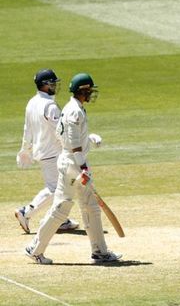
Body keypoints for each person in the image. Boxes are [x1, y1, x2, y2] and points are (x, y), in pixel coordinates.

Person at [25, 73, 122, 264]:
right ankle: (98, 252)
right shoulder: (75, 111)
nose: (92, 93)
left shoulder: (73, 107)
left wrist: (88, 140)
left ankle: (36, 248)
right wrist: (82, 168)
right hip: (74, 165)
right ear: (82, 90)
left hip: (69, 162)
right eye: (89, 90)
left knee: (82, 207)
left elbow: (69, 137)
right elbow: (72, 142)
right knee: (64, 208)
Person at [15, 69, 80, 234]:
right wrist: (73, 148)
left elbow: (26, 129)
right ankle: (26, 212)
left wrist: (25, 150)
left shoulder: (32, 102)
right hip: (53, 153)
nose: (55, 86)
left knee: (61, 187)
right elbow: (61, 131)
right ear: (44, 85)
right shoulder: (50, 106)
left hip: (42, 151)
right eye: (52, 83)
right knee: (55, 189)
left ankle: (61, 219)